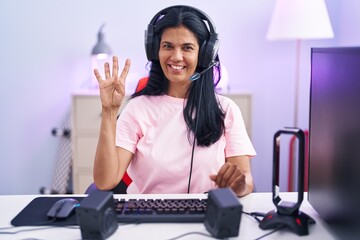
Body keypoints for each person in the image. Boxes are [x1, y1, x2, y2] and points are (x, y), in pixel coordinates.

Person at [93, 5, 256, 197]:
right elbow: (105, 181)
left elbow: (246, 179)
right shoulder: (138, 109)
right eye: (167, 46)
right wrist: (109, 111)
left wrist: (238, 185)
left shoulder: (226, 110)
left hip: (208, 217)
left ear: (204, 55)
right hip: (146, 217)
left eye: (187, 48)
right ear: (155, 51)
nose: (176, 57)